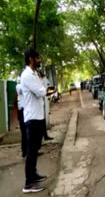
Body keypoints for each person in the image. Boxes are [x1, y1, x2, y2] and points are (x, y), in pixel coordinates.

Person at [20, 48, 56, 193]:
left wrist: (46, 89)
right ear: (30, 59)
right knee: (31, 150)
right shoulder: (26, 75)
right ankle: (28, 183)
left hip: (38, 116)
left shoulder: (34, 73)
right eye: (37, 58)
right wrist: (49, 90)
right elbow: (41, 91)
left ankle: (33, 174)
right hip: (32, 118)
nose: (39, 60)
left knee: (35, 148)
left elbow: (43, 88)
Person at [38, 71, 53, 141]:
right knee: (40, 122)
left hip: (42, 102)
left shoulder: (43, 80)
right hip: (38, 104)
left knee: (43, 121)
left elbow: (46, 89)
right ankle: (42, 136)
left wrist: (51, 91)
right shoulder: (36, 81)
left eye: (38, 73)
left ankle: (45, 136)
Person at [16, 71, 27, 158]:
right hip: (22, 111)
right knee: (24, 133)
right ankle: (24, 152)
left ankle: (30, 151)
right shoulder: (19, 85)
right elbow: (21, 90)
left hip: (27, 110)